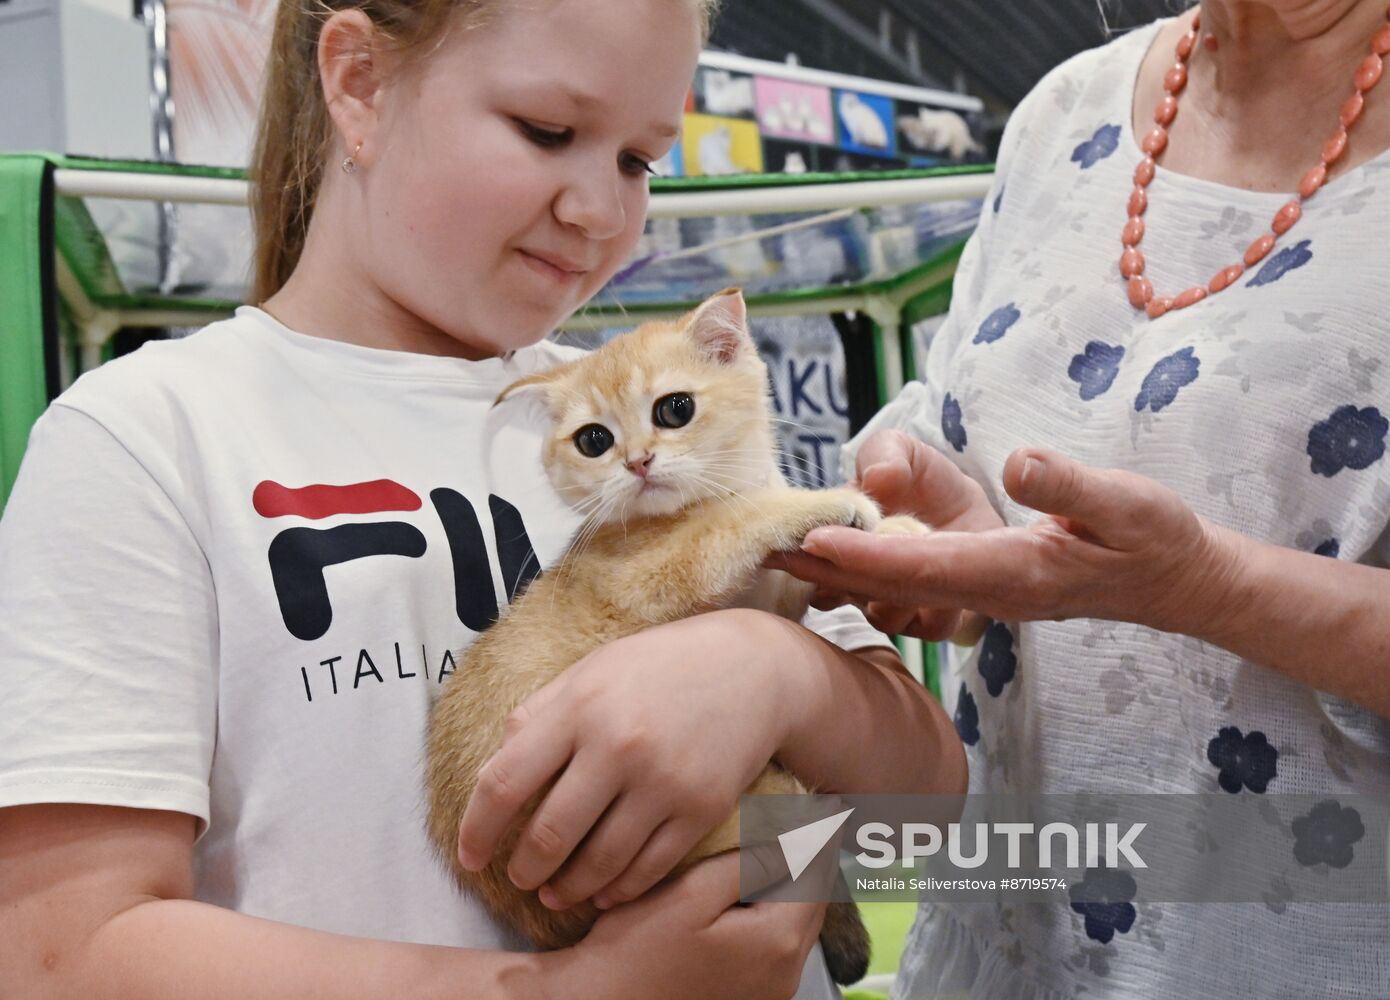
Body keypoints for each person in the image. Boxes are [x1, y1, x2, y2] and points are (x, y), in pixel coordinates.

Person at [0, 0, 967, 996]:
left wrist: (777, 673)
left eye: (640, 160)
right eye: (548, 132)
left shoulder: (658, 412)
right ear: (360, 83)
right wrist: (570, 991)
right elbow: (61, 950)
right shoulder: (150, 437)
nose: (601, 209)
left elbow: (934, 806)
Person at [771, 2, 1390, 997]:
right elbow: (981, 428)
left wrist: (1201, 586)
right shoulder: (1068, 106)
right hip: (1001, 948)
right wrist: (948, 526)